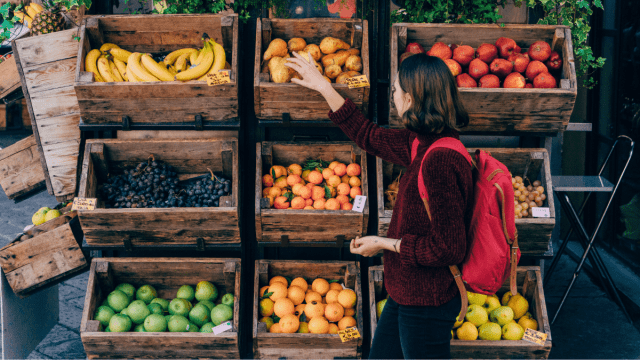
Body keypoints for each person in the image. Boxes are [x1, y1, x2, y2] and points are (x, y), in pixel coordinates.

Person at [285, 52, 473, 359]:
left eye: (396, 91)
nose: (394, 97)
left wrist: (384, 244)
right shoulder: (420, 143)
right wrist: (323, 86)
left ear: (410, 98)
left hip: (427, 301)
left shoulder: (440, 160)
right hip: (406, 292)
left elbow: (449, 248)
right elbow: (367, 135)